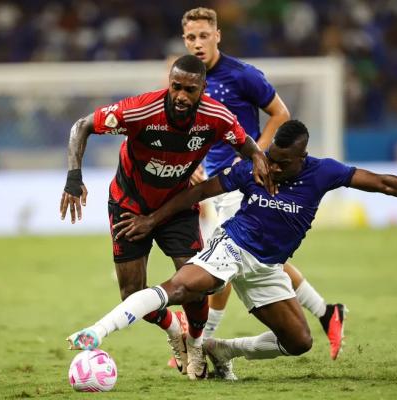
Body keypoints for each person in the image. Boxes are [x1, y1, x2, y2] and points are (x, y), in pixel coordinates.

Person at [67, 119, 397, 380]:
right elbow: (202, 190)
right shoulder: (254, 166)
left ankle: (220, 349)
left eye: (282, 162)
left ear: (302, 156)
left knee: (299, 343)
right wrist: (153, 220)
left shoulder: (325, 172)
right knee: (178, 287)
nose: (272, 168)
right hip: (232, 246)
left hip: (268, 267)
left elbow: (384, 183)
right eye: (271, 159)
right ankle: (97, 332)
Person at [60, 54, 272, 380]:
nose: (181, 96)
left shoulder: (216, 117)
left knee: (196, 286)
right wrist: (74, 178)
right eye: (176, 87)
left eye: (190, 89)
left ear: (203, 89)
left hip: (177, 208)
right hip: (129, 206)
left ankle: (197, 345)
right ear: (169, 84)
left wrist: (259, 157)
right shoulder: (142, 110)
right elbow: (81, 126)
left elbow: (245, 144)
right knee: (132, 295)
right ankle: (174, 326)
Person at [180, 7, 345, 361]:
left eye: (203, 36)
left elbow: (281, 113)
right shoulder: (189, 80)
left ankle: (201, 341)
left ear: (217, 35)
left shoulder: (242, 75)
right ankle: (327, 312)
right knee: (257, 260)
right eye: (191, 37)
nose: (197, 44)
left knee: (222, 260)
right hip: (218, 181)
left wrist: (254, 155)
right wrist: (192, 164)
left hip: (245, 182)